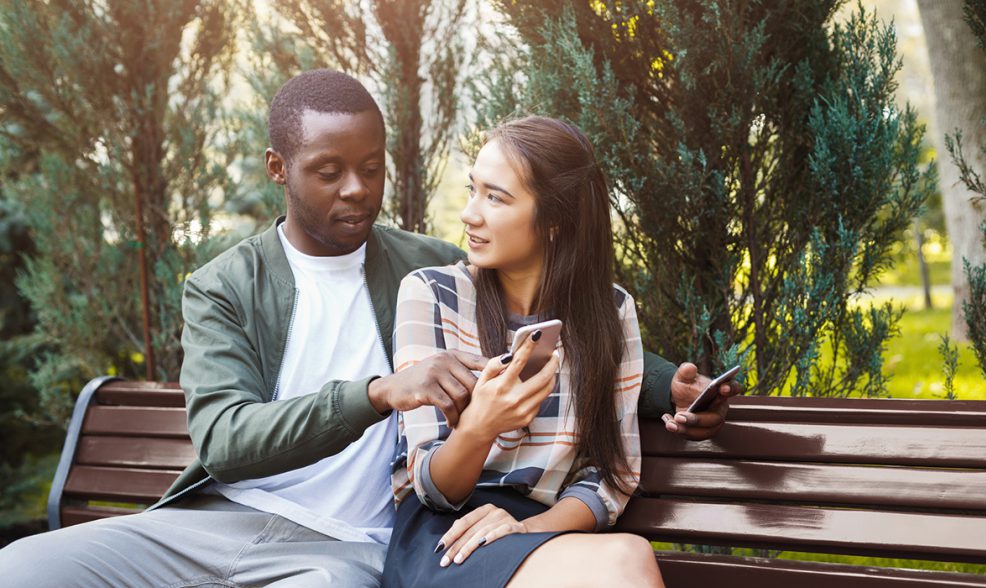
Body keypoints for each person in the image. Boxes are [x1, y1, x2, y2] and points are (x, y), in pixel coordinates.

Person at [0, 70, 736, 587]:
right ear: (278, 169)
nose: (357, 189)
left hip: (348, 548)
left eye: (372, 169)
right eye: (328, 171)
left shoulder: (432, 266)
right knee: (20, 569)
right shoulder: (226, 285)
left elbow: (550, 312)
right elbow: (225, 443)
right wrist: (379, 393)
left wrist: (662, 383)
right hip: (218, 519)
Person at [383, 116, 666, 587]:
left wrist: (526, 528)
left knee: (627, 556)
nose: (470, 214)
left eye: (495, 198)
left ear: (554, 219)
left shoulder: (610, 312)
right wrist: (481, 425)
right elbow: (431, 487)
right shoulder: (431, 293)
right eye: (474, 190)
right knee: (625, 561)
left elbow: (610, 477)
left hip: (548, 531)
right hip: (447, 535)